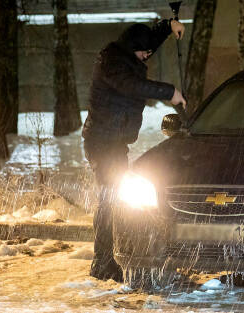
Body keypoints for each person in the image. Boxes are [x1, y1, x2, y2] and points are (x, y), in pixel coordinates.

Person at [82, 19, 186, 281]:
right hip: (101, 142)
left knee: (115, 198)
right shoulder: (112, 62)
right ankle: (102, 262)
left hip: (115, 143)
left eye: (148, 53)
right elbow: (133, 86)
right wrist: (169, 91)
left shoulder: (130, 54)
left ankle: (108, 258)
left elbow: (148, 42)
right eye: (143, 53)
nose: (146, 57)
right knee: (109, 199)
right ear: (131, 48)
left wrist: (168, 26)